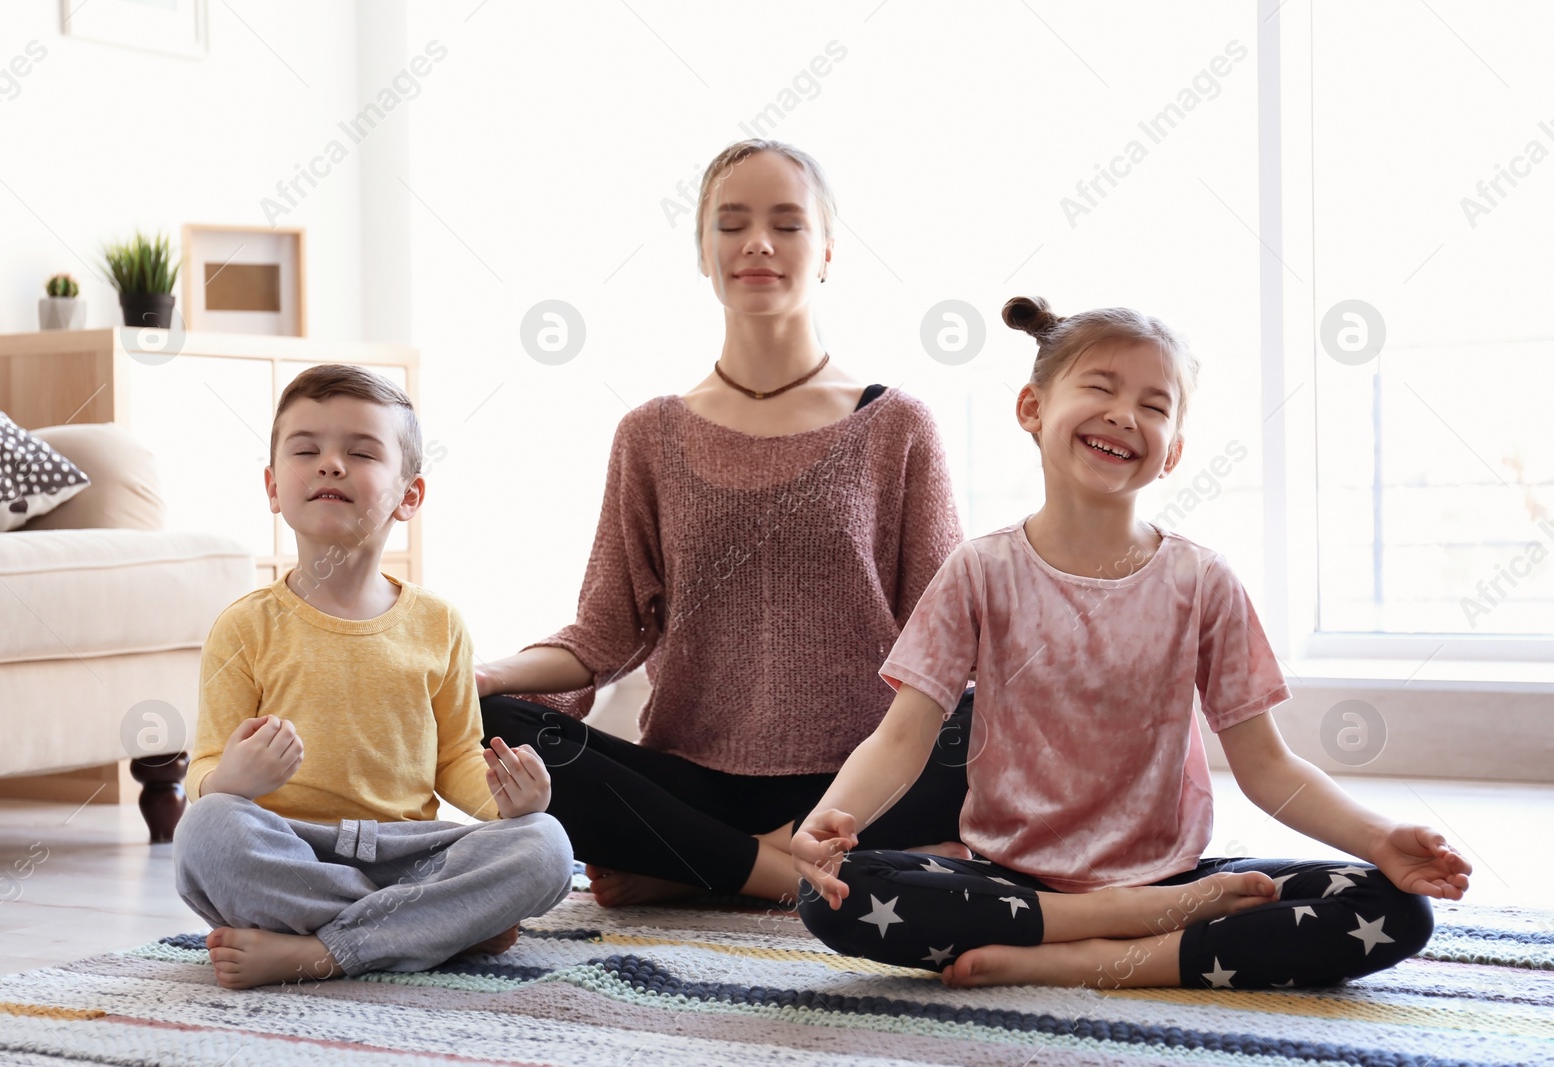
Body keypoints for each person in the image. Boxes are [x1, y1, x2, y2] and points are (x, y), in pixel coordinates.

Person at [793, 296, 1471, 989]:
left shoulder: (1202, 580)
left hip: (1174, 879)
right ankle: (1127, 922)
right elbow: (902, 738)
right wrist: (828, 817)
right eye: (1100, 387)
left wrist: (1379, 838)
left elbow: (1268, 764)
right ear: (1032, 408)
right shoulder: (979, 569)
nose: (1124, 414)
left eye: (1154, 404)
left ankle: (1076, 959)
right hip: (1016, 884)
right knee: (831, 889)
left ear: (1172, 451)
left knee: (1393, 906)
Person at [477, 139, 972, 908]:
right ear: (704, 251)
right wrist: (482, 675)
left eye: (787, 223)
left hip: (864, 776)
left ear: (829, 251)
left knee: (992, 726)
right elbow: (603, 633)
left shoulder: (897, 424)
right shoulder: (650, 434)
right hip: (698, 780)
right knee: (489, 722)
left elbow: (947, 640)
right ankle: (780, 869)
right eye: (732, 223)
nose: (759, 243)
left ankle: (693, 866)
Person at [174, 364, 574, 990]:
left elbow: (454, 760)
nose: (330, 464)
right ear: (274, 486)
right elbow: (202, 773)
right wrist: (231, 780)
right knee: (207, 831)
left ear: (409, 495)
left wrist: (503, 799)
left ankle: (321, 951)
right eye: (307, 450)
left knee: (544, 844)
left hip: (411, 856)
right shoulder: (244, 628)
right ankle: (438, 930)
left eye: (360, 452)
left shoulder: (440, 623)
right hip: (293, 849)